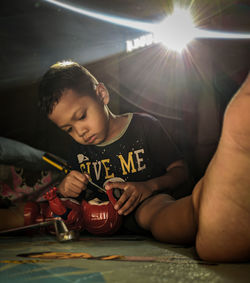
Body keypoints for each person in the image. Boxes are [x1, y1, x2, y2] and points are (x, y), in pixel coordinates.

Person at [38, 60, 190, 235]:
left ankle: (202, 217)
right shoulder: (77, 149)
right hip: (99, 221)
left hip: (146, 206)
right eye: (69, 129)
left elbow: (181, 171)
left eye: (82, 116)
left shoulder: (144, 127)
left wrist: (150, 186)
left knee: (158, 211)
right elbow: (75, 196)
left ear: (101, 94)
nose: (80, 132)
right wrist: (66, 188)